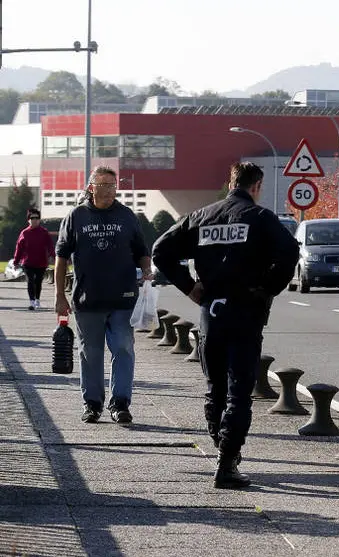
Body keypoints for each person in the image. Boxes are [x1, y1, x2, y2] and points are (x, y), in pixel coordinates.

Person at [152, 162, 298, 489]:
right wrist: (268, 288)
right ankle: (227, 461)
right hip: (246, 310)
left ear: (229, 182)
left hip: (211, 312)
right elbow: (290, 250)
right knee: (239, 391)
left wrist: (190, 287)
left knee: (214, 387)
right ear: (256, 186)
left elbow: (160, 250)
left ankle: (221, 448)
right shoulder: (260, 219)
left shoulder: (202, 217)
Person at [54, 166, 153, 424]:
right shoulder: (77, 216)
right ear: (91, 187)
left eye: (113, 185)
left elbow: (142, 250)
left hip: (123, 297)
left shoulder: (127, 216)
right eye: (103, 185)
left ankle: (120, 403)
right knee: (91, 353)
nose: (109, 190)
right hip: (88, 299)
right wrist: (59, 296)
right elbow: (61, 257)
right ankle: (93, 404)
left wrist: (146, 269)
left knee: (123, 347)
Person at [12, 207, 55, 310]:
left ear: (39, 219)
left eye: (36, 218)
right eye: (32, 218)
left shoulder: (44, 232)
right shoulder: (24, 233)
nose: (34, 220)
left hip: (41, 262)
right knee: (30, 280)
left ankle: (37, 300)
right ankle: (32, 301)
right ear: (28, 220)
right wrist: (16, 261)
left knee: (38, 281)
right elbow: (19, 248)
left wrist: (54, 257)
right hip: (27, 262)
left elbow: (50, 246)